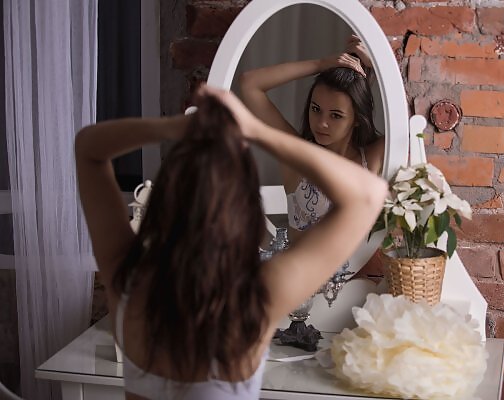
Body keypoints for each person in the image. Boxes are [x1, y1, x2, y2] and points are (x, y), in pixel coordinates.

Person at [75, 84, 387, 400]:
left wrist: (176, 128)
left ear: (163, 200)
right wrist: (253, 131)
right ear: (246, 212)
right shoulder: (255, 301)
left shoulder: (128, 283)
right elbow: (368, 196)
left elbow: (88, 147)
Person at [239, 35, 385, 276]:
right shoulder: (297, 157)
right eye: (316, 110)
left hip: (359, 288)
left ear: (357, 120)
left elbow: (410, 125)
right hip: (300, 295)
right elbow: (249, 84)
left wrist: (378, 68)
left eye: (336, 115)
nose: (322, 123)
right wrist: (319, 64)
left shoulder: (373, 158)